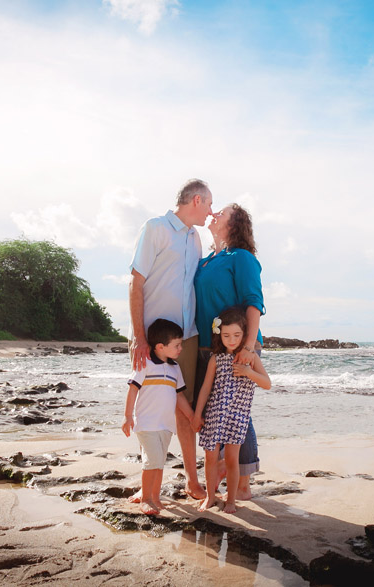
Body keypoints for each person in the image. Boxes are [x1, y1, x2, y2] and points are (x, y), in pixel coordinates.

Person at [129, 178, 213, 500]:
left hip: (187, 336)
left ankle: (192, 481)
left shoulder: (195, 240)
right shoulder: (155, 228)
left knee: (183, 407)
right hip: (151, 338)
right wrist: (139, 338)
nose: (210, 211)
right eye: (208, 204)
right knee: (149, 408)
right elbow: (136, 282)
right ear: (195, 200)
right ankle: (146, 485)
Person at [193, 203, 264, 499]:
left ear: (235, 224)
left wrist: (247, 348)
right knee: (216, 408)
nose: (214, 214)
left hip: (238, 344)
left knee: (238, 411)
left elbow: (254, 302)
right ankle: (223, 468)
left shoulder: (241, 257)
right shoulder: (209, 259)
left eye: (221, 212)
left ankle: (243, 482)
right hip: (209, 346)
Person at [191, 306, 270, 513]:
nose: (232, 340)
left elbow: (267, 383)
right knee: (210, 457)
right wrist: (198, 414)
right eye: (226, 335)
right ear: (219, 335)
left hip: (237, 417)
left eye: (236, 335)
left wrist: (247, 372)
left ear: (244, 335)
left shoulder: (250, 359)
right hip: (215, 415)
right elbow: (206, 388)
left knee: (232, 459)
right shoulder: (216, 359)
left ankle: (232, 500)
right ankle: (209, 497)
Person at [122, 318, 195, 515]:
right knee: (152, 460)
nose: (181, 348)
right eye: (177, 345)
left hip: (166, 425)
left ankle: (155, 497)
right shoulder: (144, 363)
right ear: (161, 346)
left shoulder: (175, 368)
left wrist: (191, 417)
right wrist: (128, 416)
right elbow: (132, 389)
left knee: (159, 462)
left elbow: (179, 396)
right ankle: (145, 498)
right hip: (146, 423)